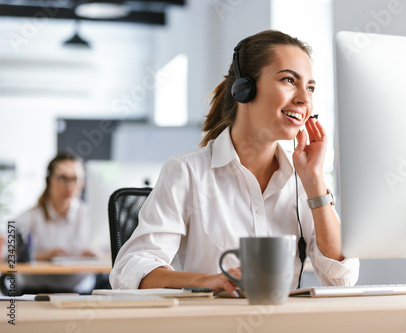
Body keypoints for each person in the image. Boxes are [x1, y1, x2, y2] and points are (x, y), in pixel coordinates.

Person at [110, 30, 359, 296]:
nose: (305, 99)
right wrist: (208, 281)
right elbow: (130, 270)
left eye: (310, 87)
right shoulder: (187, 172)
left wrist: (314, 181)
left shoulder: (303, 181)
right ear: (244, 89)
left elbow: (342, 278)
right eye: (289, 80)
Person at [15, 152, 101, 294]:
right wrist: (42, 256)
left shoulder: (92, 217)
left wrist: (96, 256)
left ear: (83, 182)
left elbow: (115, 253)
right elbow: (7, 254)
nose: (69, 185)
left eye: (75, 179)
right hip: (33, 292)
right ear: (49, 181)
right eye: (63, 178)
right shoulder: (28, 217)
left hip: (80, 293)